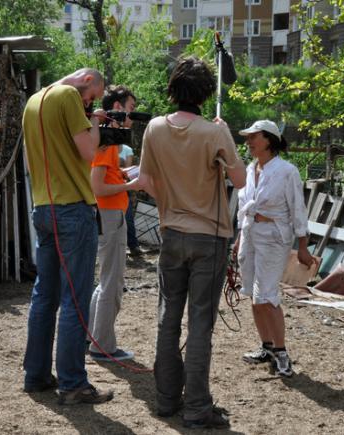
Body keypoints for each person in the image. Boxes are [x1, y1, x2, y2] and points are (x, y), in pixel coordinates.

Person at [137, 56, 246, 429]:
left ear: (173, 87)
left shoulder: (153, 128)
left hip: (171, 233)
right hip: (209, 236)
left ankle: (166, 400)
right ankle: (198, 407)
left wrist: (170, 204)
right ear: (205, 93)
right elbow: (241, 179)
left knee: (168, 318)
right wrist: (225, 133)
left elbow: (147, 181)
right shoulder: (214, 133)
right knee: (200, 322)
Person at [21, 68, 114, 405]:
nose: (90, 104)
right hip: (72, 209)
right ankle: (74, 384)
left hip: (42, 208)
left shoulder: (33, 102)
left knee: (44, 295)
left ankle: (36, 375)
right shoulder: (70, 97)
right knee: (75, 301)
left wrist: (86, 118)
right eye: (92, 98)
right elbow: (90, 153)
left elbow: (33, 163)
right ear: (87, 80)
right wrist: (96, 125)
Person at [234, 120, 315, 377]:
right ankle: (267, 346)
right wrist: (238, 238)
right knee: (253, 294)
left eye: (253, 137)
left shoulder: (287, 171)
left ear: (268, 139)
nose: (249, 141)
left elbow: (297, 210)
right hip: (250, 234)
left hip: (274, 236)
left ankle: (281, 352)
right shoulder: (249, 169)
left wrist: (302, 246)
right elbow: (242, 206)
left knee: (267, 295)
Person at [87, 85, 140, 362]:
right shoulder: (107, 141)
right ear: (117, 109)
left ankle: (92, 337)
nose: (133, 115)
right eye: (130, 109)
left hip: (109, 215)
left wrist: (121, 174)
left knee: (105, 280)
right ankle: (103, 346)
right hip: (109, 215)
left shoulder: (106, 138)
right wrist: (132, 184)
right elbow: (97, 186)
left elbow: (103, 177)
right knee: (112, 283)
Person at [119, 144, 143, 256]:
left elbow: (126, 173)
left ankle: (133, 245)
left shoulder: (127, 149)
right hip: (110, 187)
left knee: (128, 218)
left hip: (122, 187)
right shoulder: (103, 148)